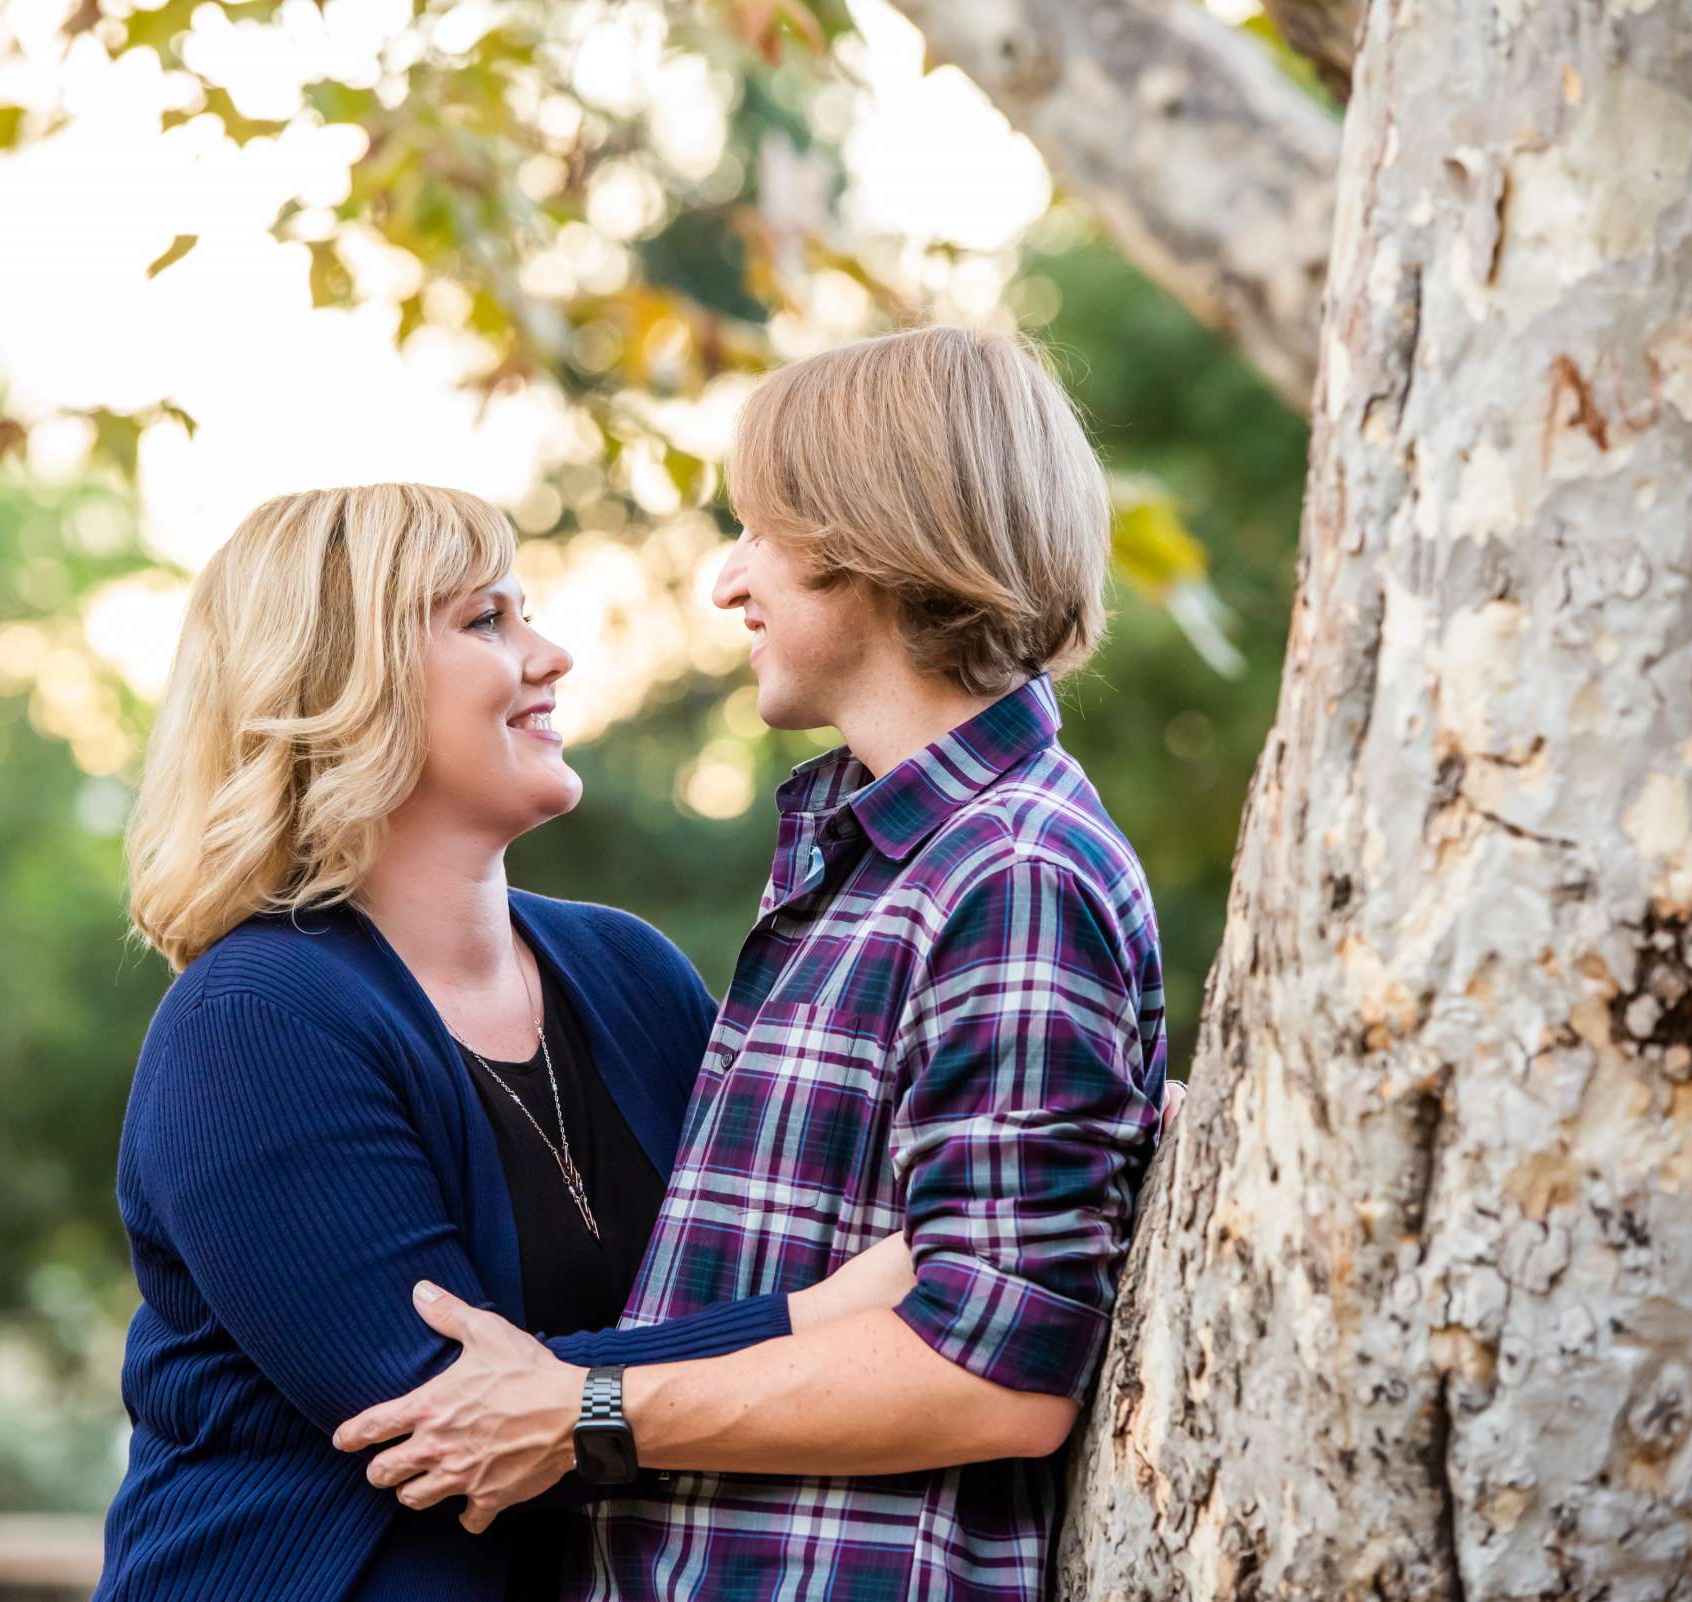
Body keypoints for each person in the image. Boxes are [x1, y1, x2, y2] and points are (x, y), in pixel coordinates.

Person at [334, 325, 1171, 1602]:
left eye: (758, 531)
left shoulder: (1014, 869)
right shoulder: (878, 858)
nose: (728, 582)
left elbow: (997, 1374)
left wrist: (587, 1409)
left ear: (873, 539)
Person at [91, 482, 919, 1602]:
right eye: (488, 620)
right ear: (344, 681)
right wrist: (838, 1313)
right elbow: (456, 1428)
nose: (552, 655)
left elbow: (790, 1226)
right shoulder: (255, 1025)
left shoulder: (628, 973)